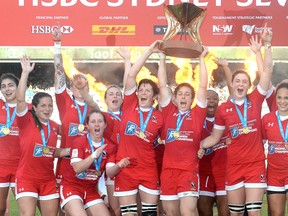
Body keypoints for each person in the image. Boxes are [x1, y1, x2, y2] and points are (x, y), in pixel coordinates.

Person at [200, 25, 273, 216]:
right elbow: (214, 137)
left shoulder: (255, 100)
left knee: (254, 212)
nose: (240, 84)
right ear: (232, 84)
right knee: (236, 213)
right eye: (237, 81)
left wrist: (264, 48)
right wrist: (197, 145)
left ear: (249, 86)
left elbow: (267, 72)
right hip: (233, 166)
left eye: (244, 82)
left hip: (255, 163)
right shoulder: (224, 108)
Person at [157, 44, 208, 216]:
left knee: (188, 212)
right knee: (171, 213)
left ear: (192, 99)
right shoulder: (168, 111)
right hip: (168, 171)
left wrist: (202, 60)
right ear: (175, 98)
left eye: (187, 94)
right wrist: (162, 58)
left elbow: (202, 86)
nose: (184, 97)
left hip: (188, 171)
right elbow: (162, 84)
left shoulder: (197, 114)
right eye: (180, 94)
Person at [15, 56, 70, 216]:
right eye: (43, 106)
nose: (47, 109)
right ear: (35, 107)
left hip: (48, 180)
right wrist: (25, 72)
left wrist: (72, 150)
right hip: (27, 178)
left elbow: (52, 151)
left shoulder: (54, 126)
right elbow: (20, 99)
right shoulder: (26, 120)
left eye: (50, 106)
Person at [114, 40, 163, 216]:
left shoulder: (159, 117)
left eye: (147, 90)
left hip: (148, 168)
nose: (142, 93)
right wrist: (149, 51)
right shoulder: (129, 104)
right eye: (141, 89)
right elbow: (131, 76)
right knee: (129, 214)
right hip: (126, 168)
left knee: (150, 213)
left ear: (155, 96)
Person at [52, 25, 99, 190]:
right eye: (76, 84)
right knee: (63, 209)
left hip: (89, 162)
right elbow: (58, 73)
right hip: (66, 162)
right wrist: (57, 44)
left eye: (83, 83)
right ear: (70, 88)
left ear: (88, 88)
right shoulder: (64, 101)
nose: (79, 86)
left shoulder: (93, 107)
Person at [59, 109, 130, 216]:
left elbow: (110, 172)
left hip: (91, 190)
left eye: (100, 121)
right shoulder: (79, 142)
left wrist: (118, 166)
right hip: (71, 187)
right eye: (93, 122)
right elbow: (77, 168)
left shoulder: (110, 146)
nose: (96, 124)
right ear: (87, 125)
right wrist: (94, 155)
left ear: (105, 125)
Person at [197, 89, 229, 216]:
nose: (211, 101)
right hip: (204, 173)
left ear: (218, 102)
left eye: (215, 99)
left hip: (224, 172)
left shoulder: (226, 118)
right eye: (208, 98)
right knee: (204, 212)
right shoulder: (195, 120)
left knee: (225, 213)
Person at [261, 82, 288, 216]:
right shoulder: (267, 119)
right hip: (274, 174)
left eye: (286, 98)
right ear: (275, 98)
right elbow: (258, 143)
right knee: (276, 214)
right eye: (279, 97)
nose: (282, 101)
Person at [0, 73, 20, 216]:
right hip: (1, 165)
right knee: (1, 209)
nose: (7, 89)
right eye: (3, 86)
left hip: (21, 167)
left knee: (25, 210)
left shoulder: (28, 109)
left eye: (11, 85)